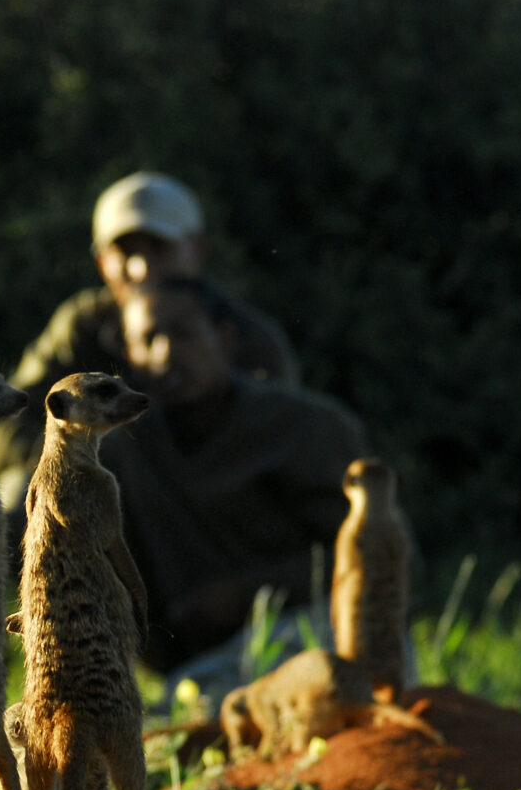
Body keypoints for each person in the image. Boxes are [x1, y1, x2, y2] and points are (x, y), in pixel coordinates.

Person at [97, 278, 367, 695]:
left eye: (183, 333)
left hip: (322, 636)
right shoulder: (119, 457)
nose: (166, 353)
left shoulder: (307, 428)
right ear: (130, 357)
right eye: (148, 339)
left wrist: (249, 593)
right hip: (210, 673)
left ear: (224, 338)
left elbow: (385, 561)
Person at [0, 172, 299, 518]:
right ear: (102, 263)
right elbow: (8, 425)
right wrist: (80, 459)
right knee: (15, 493)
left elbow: (281, 441)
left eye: (159, 248)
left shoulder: (245, 336)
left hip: (212, 508)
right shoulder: (83, 325)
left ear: (197, 249)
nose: (141, 267)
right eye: (125, 252)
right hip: (103, 497)